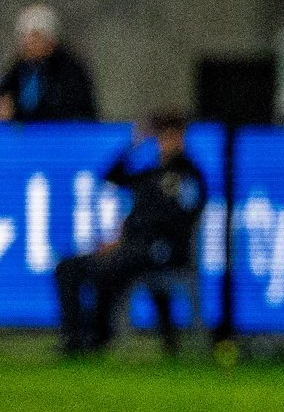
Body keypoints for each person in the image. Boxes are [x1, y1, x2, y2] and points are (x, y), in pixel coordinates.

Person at [53, 113, 206, 356]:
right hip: (131, 248)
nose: (164, 142)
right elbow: (111, 176)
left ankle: (98, 338)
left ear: (181, 138)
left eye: (171, 135)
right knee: (68, 268)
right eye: (161, 136)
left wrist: (129, 242)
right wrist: (133, 144)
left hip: (163, 252)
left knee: (115, 267)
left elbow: (181, 220)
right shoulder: (151, 173)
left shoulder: (190, 175)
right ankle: (75, 337)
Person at [0, 5, 97, 122]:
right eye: (24, 37)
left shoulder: (71, 70)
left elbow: (77, 113)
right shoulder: (17, 69)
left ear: (50, 40)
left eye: (35, 37)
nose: (28, 44)